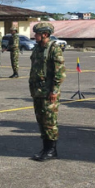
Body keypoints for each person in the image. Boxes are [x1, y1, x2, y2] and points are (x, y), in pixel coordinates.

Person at [29, 22, 66, 161]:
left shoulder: (54, 49)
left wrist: (54, 91)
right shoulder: (38, 49)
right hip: (37, 91)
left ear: (45, 34)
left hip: (48, 91)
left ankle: (52, 150)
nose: (35, 36)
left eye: (37, 33)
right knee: (41, 120)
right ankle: (45, 148)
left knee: (50, 121)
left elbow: (60, 72)